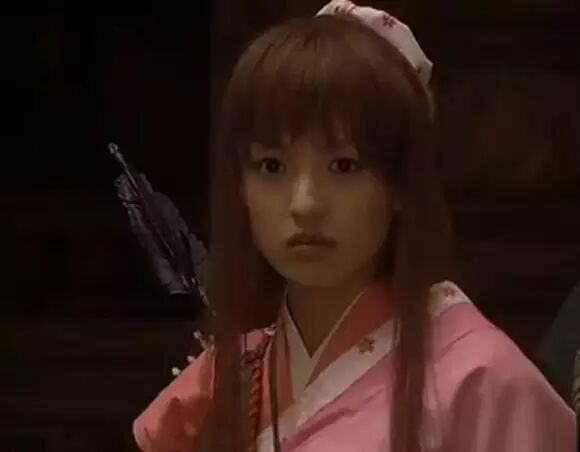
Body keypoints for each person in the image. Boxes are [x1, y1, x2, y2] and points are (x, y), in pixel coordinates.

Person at [131, 1, 576, 450]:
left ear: (400, 184)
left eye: (344, 165)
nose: (304, 204)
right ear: (240, 185)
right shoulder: (216, 387)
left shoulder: (481, 381)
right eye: (271, 166)